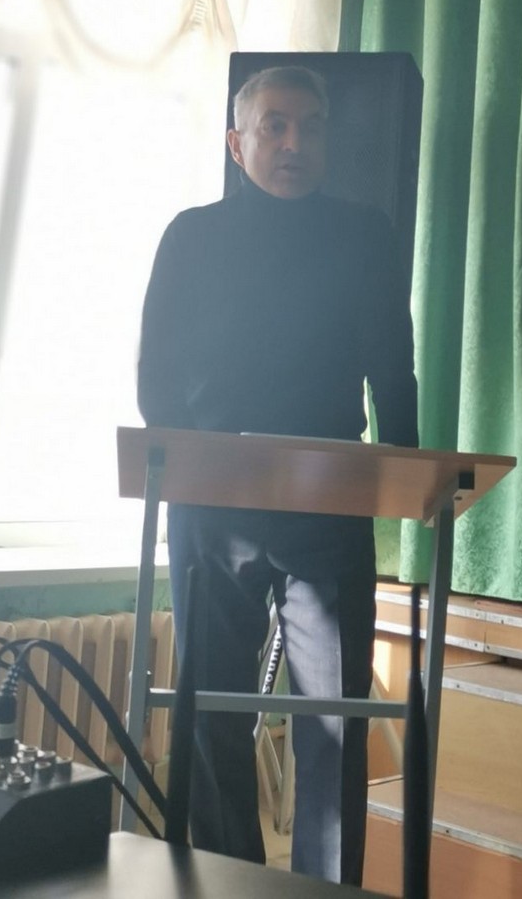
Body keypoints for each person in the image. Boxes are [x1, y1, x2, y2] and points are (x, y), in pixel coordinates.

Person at [136, 65, 418, 884]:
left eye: (311, 127)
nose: (295, 142)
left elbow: (391, 367)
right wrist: (188, 466)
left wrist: (407, 469)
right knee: (209, 713)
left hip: (328, 502)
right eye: (275, 126)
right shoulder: (191, 235)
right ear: (238, 142)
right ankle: (228, 883)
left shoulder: (365, 235)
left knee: (335, 716)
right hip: (213, 501)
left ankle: (329, 892)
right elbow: (157, 374)